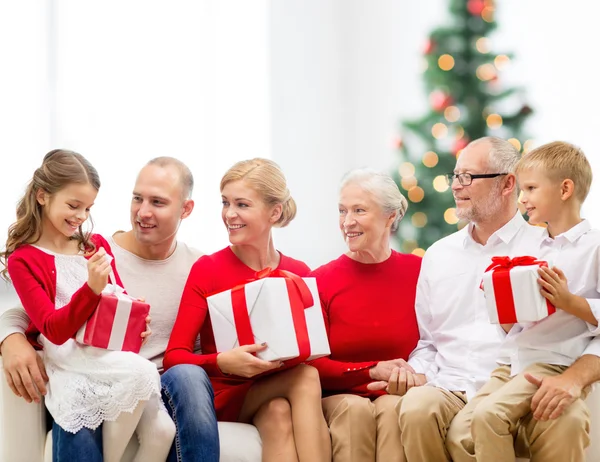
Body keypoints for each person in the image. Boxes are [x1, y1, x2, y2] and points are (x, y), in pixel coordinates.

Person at [383, 137, 600, 462]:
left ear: (506, 184)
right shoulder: (439, 255)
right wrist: (414, 371)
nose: (456, 186)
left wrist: (573, 378)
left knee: (564, 420)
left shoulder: (545, 245)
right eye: (455, 176)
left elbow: (570, 320)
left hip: (526, 375)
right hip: (453, 383)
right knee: (417, 409)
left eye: (467, 176)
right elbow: (428, 343)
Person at [0, 156, 221, 462]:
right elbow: (35, 316)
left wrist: (136, 321)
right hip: (79, 361)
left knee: (165, 422)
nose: (143, 212)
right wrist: (8, 338)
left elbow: (119, 299)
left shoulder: (198, 266)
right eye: (137, 198)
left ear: (186, 209)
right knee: (90, 404)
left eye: (157, 202)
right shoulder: (89, 249)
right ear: (42, 196)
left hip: (134, 366)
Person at [164, 158, 332, 462]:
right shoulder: (209, 269)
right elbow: (174, 356)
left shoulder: (298, 272)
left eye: (242, 204)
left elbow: (316, 354)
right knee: (305, 378)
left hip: (273, 392)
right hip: (225, 392)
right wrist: (223, 362)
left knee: (279, 413)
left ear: (275, 211)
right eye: (225, 202)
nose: (229, 214)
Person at [447, 141, 600, 461]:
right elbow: (516, 324)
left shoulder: (593, 247)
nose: (521, 198)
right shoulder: (531, 248)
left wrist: (567, 300)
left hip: (552, 361)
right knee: (462, 434)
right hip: (512, 362)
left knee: (489, 417)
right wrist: (501, 301)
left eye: (530, 188)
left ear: (565, 189)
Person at [309, 168, 421, 462]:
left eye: (359, 210)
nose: (347, 222)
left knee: (393, 408)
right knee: (355, 411)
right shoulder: (320, 281)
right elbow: (311, 366)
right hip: (341, 398)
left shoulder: (419, 272)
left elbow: (439, 342)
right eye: (342, 211)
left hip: (396, 394)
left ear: (390, 216)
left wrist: (413, 378)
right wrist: (372, 370)